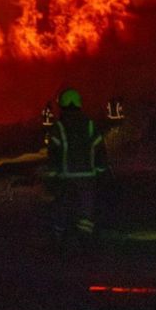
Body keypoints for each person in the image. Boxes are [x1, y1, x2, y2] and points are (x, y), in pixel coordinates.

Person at [46, 88, 108, 243]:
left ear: (63, 106)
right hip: (88, 177)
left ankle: (58, 241)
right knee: (86, 211)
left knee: (62, 208)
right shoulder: (90, 125)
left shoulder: (58, 128)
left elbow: (53, 154)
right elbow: (100, 149)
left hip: (66, 178)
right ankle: (85, 243)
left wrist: (52, 176)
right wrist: (101, 171)